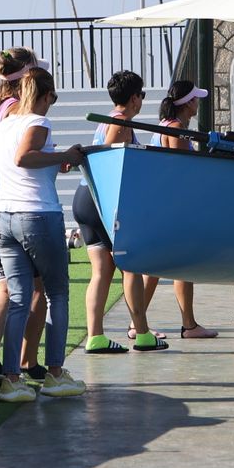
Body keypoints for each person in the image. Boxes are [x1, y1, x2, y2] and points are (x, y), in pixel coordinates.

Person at [0, 67, 87, 403]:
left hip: (4, 217)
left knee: (18, 300)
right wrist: (64, 155)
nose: (52, 105)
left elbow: (24, 161)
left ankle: (11, 379)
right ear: (45, 95)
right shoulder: (38, 122)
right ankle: (55, 374)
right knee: (57, 295)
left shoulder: (4, 123)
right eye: (53, 99)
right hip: (38, 215)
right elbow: (24, 158)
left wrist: (57, 162)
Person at [74, 70, 165, 353]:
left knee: (101, 271)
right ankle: (142, 333)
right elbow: (108, 160)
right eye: (142, 94)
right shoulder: (121, 122)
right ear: (135, 97)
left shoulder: (110, 120)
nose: (142, 100)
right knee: (131, 264)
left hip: (86, 198)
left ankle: (96, 336)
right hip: (102, 201)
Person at [0, 49, 48, 385]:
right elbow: (23, 155)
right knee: (36, 290)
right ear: (25, 77)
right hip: (9, 203)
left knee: (5, 288)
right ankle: (26, 362)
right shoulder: (15, 109)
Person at [147, 80, 219, 339]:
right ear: (187, 103)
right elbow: (180, 171)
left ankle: (188, 324)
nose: (198, 103)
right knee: (162, 266)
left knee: (172, 266)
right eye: (195, 99)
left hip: (165, 204)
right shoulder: (176, 128)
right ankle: (143, 324)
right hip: (172, 206)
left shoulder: (166, 126)